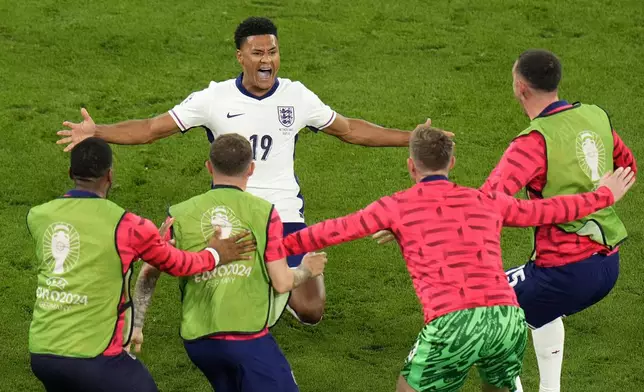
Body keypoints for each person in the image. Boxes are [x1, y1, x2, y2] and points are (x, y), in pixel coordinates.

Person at [56, 16, 429, 326]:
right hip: (231, 216)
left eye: (273, 52)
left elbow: (351, 130)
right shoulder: (214, 98)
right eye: (257, 53)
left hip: (283, 216)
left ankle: (266, 277)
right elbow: (152, 128)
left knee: (312, 312)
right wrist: (97, 131)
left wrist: (411, 138)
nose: (267, 60)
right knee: (226, 311)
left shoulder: (297, 96)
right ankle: (248, 280)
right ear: (240, 56)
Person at [278, 128, 634, 392]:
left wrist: (276, 246)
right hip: (507, 318)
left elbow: (330, 231)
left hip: (453, 321)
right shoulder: (487, 201)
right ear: (453, 162)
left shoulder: (395, 207)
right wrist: (603, 195)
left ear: (410, 166)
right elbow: (549, 209)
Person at [26, 137, 255, 392]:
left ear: (71, 173)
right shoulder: (129, 225)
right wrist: (215, 253)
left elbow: (91, 251)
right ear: (110, 175)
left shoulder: (38, 216)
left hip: (42, 353)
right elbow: (179, 264)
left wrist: (146, 244)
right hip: (94, 355)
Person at [480, 49, 638, 392]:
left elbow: (486, 204)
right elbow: (628, 169)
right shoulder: (595, 115)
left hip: (564, 271)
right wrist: (596, 192)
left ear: (521, 88)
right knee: (537, 304)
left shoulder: (534, 143)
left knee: (477, 305)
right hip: (607, 267)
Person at [130, 134, 328, 392]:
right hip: (246, 338)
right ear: (252, 169)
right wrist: (306, 269)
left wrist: (136, 324)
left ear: (209, 167)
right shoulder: (264, 213)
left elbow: (149, 269)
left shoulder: (179, 214)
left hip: (199, 343)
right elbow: (282, 282)